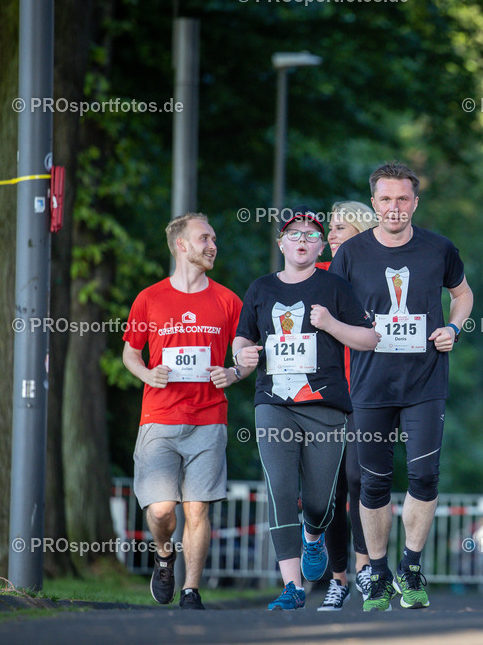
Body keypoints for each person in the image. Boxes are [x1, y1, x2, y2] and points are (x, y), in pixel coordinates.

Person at [330, 162, 474, 611]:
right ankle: (376, 569)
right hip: (370, 385)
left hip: (425, 381)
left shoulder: (439, 249)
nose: (395, 208)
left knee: (426, 474)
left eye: (403, 199)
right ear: (374, 204)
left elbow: (463, 294)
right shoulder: (351, 254)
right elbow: (327, 311)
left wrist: (453, 327)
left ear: (415, 202)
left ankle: (410, 565)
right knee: (372, 483)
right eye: (386, 199)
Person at [232, 206, 379, 610]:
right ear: (281, 243)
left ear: (320, 248)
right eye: (293, 234)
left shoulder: (335, 287)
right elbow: (242, 338)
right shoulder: (261, 288)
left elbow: (370, 338)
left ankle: (313, 536)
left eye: (312, 236)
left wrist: (331, 324)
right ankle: (292, 587)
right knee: (280, 490)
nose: (302, 240)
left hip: (326, 406)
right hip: (273, 402)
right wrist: (242, 355)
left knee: (318, 501)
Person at [122, 212, 244, 609]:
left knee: (197, 510)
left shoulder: (228, 300)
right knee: (161, 512)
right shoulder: (150, 298)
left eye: (214, 238)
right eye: (204, 238)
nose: (212, 245)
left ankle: (191, 590)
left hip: (209, 419)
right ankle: (163, 555)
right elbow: (130, 352)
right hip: (159, 418)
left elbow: (247, 353)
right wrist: (147, 374)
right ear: (181, 245)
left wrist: (234, 371)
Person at [315, 200, 380, 610]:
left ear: (361, 233)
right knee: (327, 492)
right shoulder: (314, 277)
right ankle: (338, 578)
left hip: (367, 394)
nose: (331, 234)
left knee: (359, 481)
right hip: (322, 397)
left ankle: (364, 570)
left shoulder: (376, 277)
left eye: (341, 227)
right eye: (331, 228)